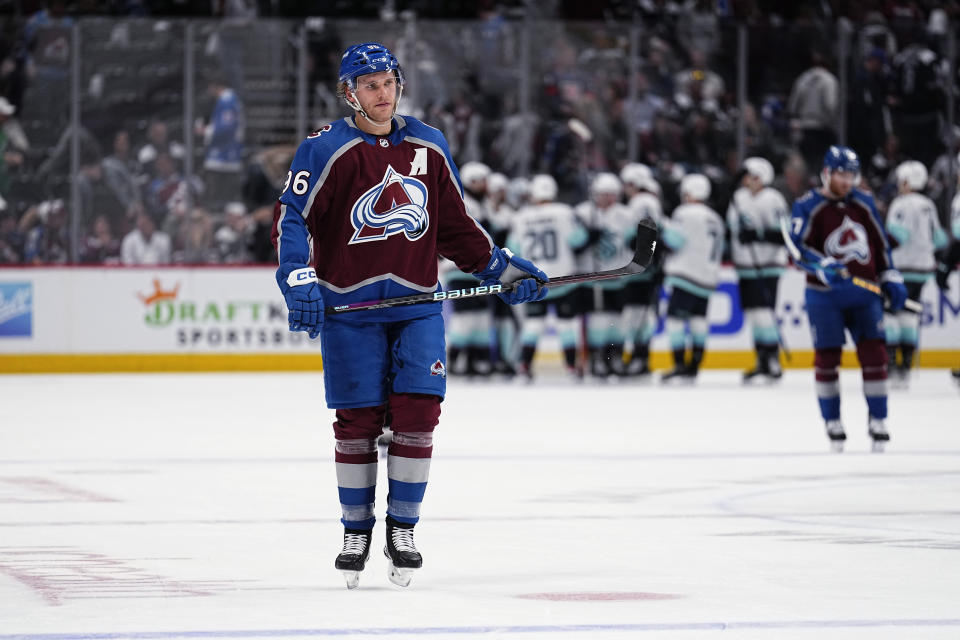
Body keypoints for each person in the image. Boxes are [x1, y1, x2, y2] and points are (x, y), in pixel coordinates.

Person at [270, 42, 548, 590]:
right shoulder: (325, 149)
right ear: (350, 92)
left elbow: (453, 224)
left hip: (418, 302)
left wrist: (497, 265)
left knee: (419, 413)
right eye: (370, 84)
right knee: (358, 423)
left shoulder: (429, 144)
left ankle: (403, 528)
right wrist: (296, 274)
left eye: (389, 81)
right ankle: (356, 530)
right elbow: (294, 219)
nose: (382, 92)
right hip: (349, 307)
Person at [783, 145, 907, 453]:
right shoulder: (808, 205)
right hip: (824, 297)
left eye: (851, 174)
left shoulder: (864, 203)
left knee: (875, 356)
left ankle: (878, 419)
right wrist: (821, 265)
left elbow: (881, 246)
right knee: (827, 358)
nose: (847, 181)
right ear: (826, 173)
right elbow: (796, 249)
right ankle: (832, 420)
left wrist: (890, 275)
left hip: (864, 294)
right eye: (841, 174)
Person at [509, 173, 588, 380]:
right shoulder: (564, 212)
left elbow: (513, 249)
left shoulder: (520, 217)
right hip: (563, 278)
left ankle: (524, 366)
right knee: (566, 325)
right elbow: (578, 240)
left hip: (534, 280)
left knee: (533, 325)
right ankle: (571, 368)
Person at [884, 160, 948, 388]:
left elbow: (896, 237)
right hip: (923, 269)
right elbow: (939, 237)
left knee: (890, 313)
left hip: (901, 268)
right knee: (909, 315)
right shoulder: (928, 204)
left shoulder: (900, 205)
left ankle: (891, 364)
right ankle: (906, 366)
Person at [726, 157, 790, 382]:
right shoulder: (738, 199)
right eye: (746, 177)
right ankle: (761, 359)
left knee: (764, 313)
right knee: (753, 314)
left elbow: (783, 234)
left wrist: (758, 235)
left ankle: (772, 358)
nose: (748, 181)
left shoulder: (773, 199)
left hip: (768, 265)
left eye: (753, 177)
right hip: (745, 266)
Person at [659, 173, 725, 383]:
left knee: (675, 320)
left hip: (686, 274)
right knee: (698, 320)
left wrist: (662, 229)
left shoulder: (684, 213)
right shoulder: (715, 217)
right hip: (708, 276)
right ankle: (694, 366)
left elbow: (674, 241)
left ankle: (679, 365)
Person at [620, 163, 663, 376]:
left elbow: (646, 231)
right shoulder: (651, 201)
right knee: (640, 315)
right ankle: (641, 356)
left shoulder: (641, 201)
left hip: (640, 268)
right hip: (647, 266)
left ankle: (639, 356)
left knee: (636, 315)